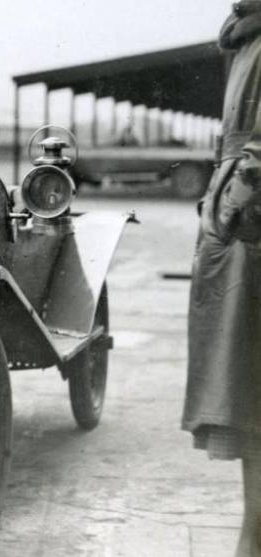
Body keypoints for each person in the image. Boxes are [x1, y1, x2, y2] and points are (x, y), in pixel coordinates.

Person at [184, 3, 261, 554]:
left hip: (250, 220)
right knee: (242, 389)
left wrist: (235, 196)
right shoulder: (244, 38)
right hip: (237, 224)